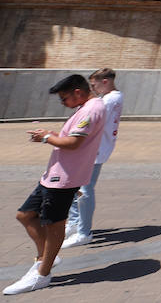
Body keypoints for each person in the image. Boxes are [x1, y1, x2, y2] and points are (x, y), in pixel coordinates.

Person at [6, 74, 106, 295]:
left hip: (64, 178)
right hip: (55, 175)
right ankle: (46, 258)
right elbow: (71, 138)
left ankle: (42, 274)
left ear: (77, 92)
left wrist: (45, 138)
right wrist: (52, 134)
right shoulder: (87, 107)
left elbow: (74, 142)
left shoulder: (91, 110)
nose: (63, 103)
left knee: (54, 225)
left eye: (64, 99)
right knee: (25, 215)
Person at [62, 68, 123, 248]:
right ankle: (74, 223)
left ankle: (84, 232)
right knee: (76, 187)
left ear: (105, 81)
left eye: (94, 84)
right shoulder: (113, 98)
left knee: (84, 191)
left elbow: (90, 116)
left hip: (95, 149)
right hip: (95, 147)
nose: (93, 89)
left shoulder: (109, 99)